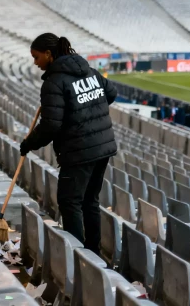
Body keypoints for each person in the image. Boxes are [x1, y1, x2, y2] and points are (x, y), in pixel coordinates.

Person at [19, 33, 117, 253]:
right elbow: (110, 93)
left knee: (69, 202)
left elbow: (51, 126)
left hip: (78, 150)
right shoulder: (89, 71)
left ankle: (78, 257)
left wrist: (29, 143)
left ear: (48, 54)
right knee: (89, 201)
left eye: (36, 57)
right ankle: (93, 253)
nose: (35, 63)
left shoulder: (54, 82)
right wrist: (88, 107)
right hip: (102, 147)